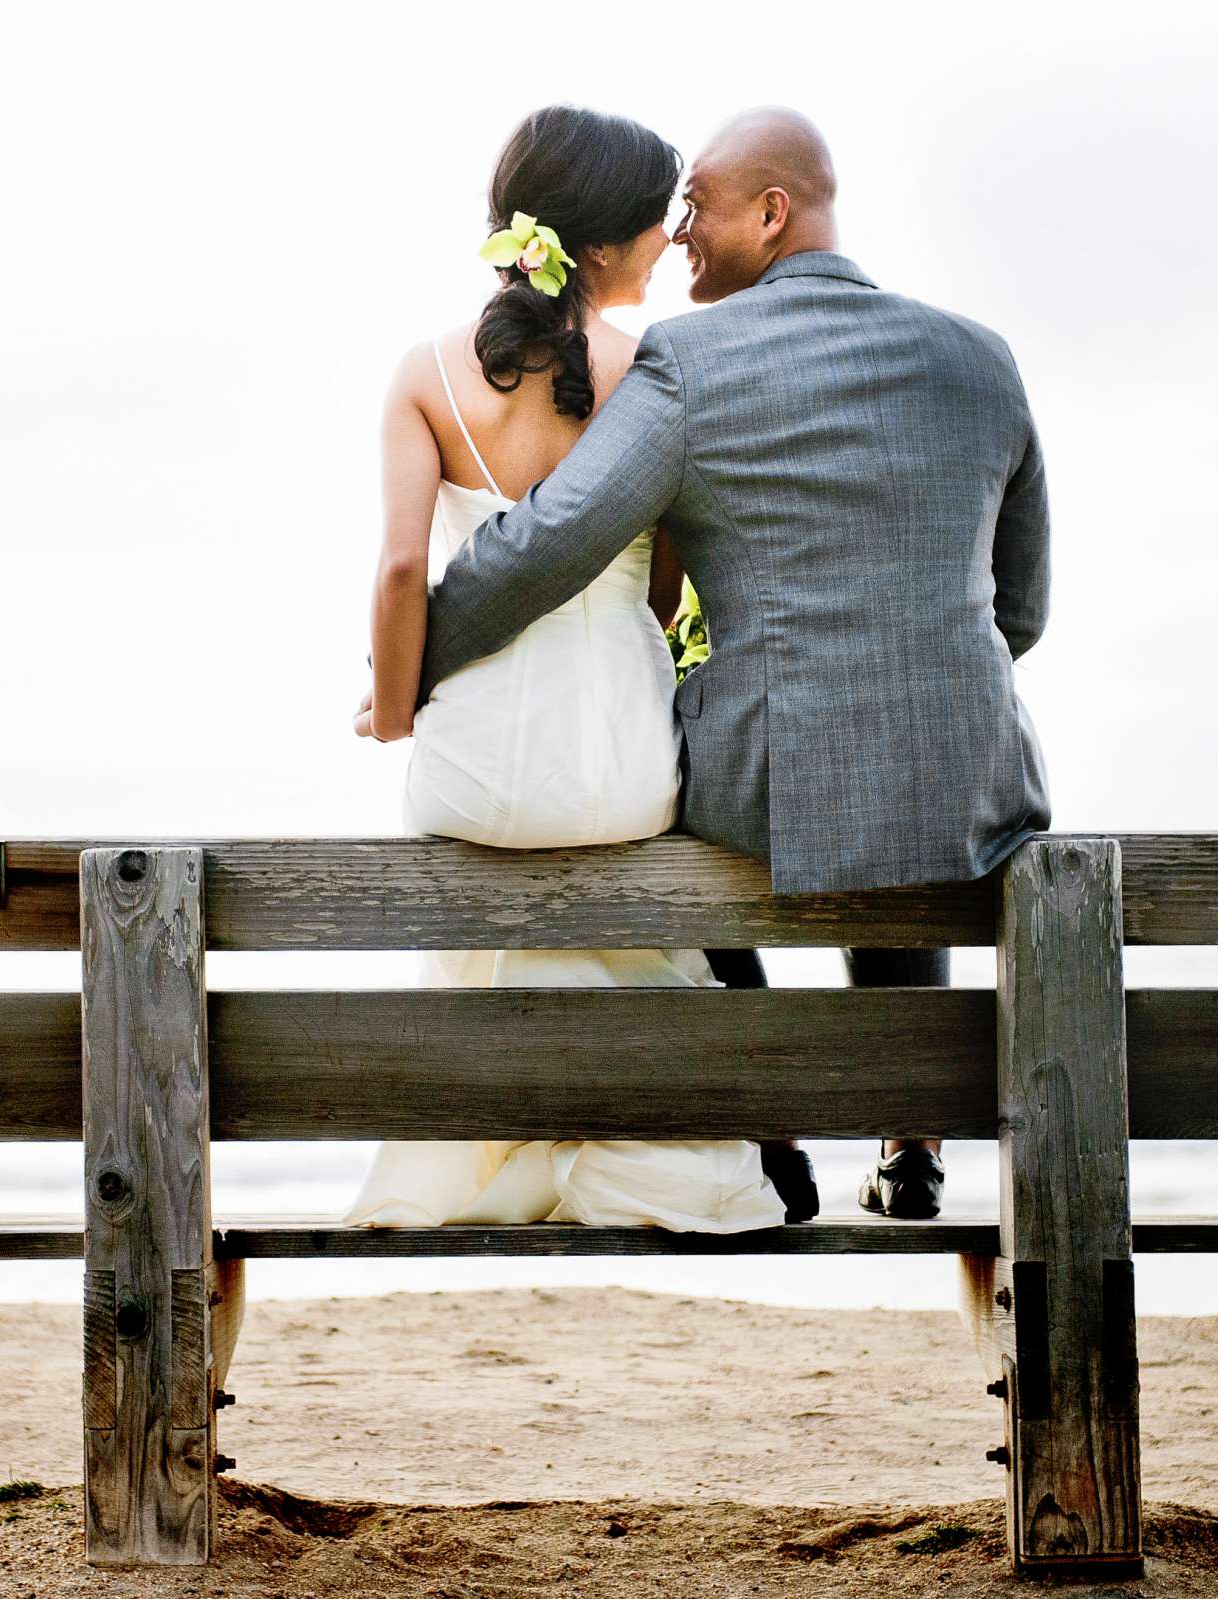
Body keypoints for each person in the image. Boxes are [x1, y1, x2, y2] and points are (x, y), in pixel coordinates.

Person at [412, 108, 1053, 1223]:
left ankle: (769, 1127)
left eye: (697, 206)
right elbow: (1022, 609)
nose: (681, 229)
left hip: (767, 783)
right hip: (972, 782)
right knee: (891, 763)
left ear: (772, 212)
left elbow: (546, 548)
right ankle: (912, 1138)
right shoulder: (979, 358)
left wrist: (410, 661)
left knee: (671, 773)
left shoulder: (689, 365)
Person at [344, 105, 786, 1233]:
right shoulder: (661, 375)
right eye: (656, 220)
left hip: (472, 781)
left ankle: (501, 1128)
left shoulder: (422, 375)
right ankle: (627, 1134)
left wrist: (397, 717)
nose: (670, 240)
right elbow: (659, 592)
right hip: (627, 773)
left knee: (494, 895)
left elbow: (403, 572)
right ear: (600, 247)